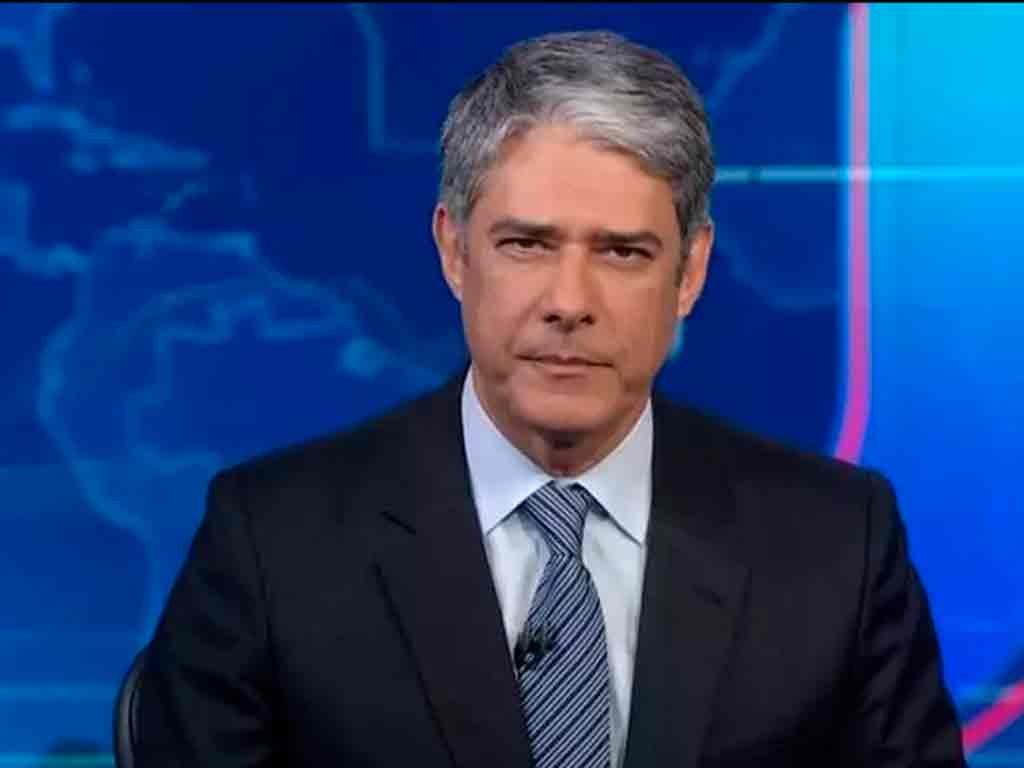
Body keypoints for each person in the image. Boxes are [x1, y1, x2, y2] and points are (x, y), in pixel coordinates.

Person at [135, 29, 966, 768]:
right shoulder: (272, 543)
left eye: (623, 253)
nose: (570, 301)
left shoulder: (837, 545)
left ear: (690, 271)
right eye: (527, 244)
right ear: (454, 251)